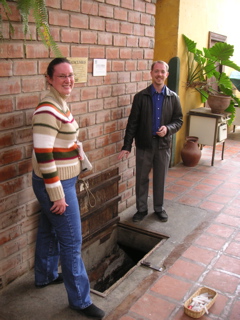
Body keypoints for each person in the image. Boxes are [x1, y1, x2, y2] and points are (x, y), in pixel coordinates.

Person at [32, 58, 105, 319]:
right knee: (72, 240)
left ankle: (44, 275)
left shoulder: (61, 104)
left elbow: (60, 141)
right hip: (55, 184)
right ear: (49, 78)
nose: (68, 80)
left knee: (49, 229)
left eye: (71, 75)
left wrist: (75, 148)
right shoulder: (47, 110)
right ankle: (80, 301)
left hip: (62, 180)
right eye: (62, 76)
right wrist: (57, 194)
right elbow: (43, 155)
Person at [118, 60, 183, 223]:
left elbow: (179, 120)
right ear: (151, 73)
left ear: (166, 75)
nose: (159, 74)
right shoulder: (141, 97)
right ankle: (141, 209)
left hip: (163, 146)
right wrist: (127, 146)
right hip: (144, 145)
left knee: (160, 178)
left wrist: (168, 129)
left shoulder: (173, 98)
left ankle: (159, 208)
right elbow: (132, 122)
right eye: (156, 71)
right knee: (141, 178)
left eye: (163, 72)